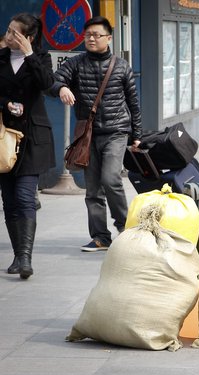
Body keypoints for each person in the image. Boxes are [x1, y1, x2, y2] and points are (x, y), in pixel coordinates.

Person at [51, 16, 142, 251]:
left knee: (111, 178)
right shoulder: (76, 63)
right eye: (88, 35)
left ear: (109, 38)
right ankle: (101, 237)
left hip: (116, 131)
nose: (91, 39)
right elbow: (55, 80)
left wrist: (137, 135)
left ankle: (124, 227)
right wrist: (61, 87)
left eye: (96, 35)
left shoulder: (121, 66)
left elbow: (133, 102)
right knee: (92, 189)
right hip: (88, 134)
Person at [0, 13, 55, 279]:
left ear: (28, 37)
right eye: (8, 31)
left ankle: (25, 258)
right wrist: (4, 104)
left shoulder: (41, 59)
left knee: (24, 197)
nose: (8, 36)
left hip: (32, 137)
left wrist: (30, 54)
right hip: (4, 138)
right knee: (9, 200)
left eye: (15, 33)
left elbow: (46, 83)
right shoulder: (0, 58)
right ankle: (16, 254)